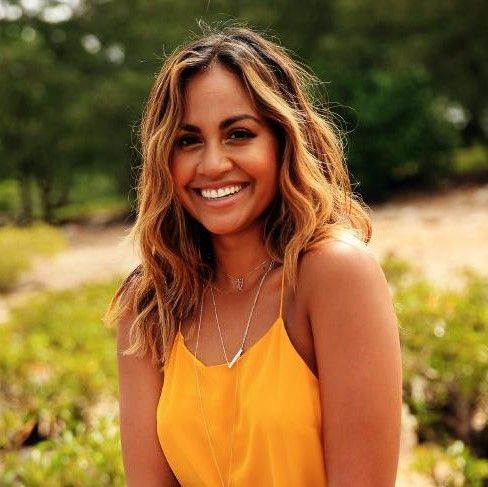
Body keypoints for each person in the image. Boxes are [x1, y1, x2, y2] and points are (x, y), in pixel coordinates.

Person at [105, 24, 402, 487]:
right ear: (165, 159)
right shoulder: (149, 304)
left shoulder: (334, 276)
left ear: (282, 140)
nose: (213, 164)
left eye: (239, 134)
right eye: (188, 141)